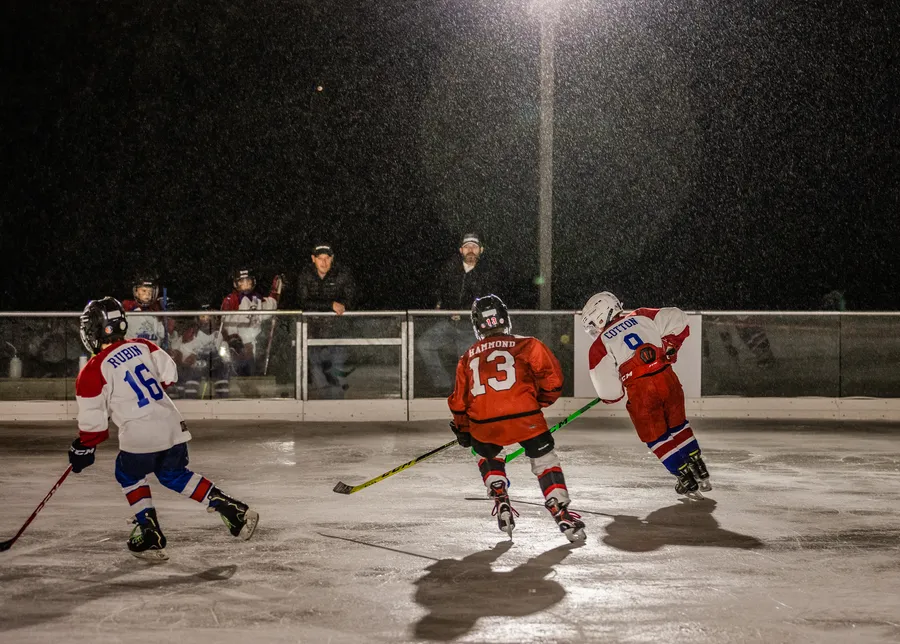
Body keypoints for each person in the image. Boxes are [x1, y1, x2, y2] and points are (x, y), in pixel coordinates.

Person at [68, 297, 258, 561]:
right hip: (171, 424)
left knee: (126, 472)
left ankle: (149, 533)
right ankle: (232, 509)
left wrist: (82, 448)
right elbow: (169, 374)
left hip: (140, 434)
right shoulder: (142, 345)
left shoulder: (92, 370)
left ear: (93, 332)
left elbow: (94, 428)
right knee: (172, 474)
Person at [447, 294, 586, 542]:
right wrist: (537, 403)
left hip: (485, 424)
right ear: (504, 318)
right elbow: (553, 381)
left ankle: (499, 492)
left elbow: (459, 402)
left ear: (477, 324)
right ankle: (559, 508)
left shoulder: (467, 356)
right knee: (545, 459)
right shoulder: (528, 345)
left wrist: (464, 429)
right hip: (526, 418)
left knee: (486, 452)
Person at [581, 291, 711, 496]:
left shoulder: (599, 345)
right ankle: (698, 464)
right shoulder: (641, 315)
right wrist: (671, 346)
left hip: (641, 390)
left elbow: (610, 392)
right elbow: (680, 319)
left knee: (656, 436)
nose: (594, 328)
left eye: (592, 323)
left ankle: (684, 475)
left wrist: (617, 390)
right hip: (667, 378)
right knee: (677, 424)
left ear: (600, 315)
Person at [419, 233, 495, 394]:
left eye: (474, 247)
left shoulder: (487, 274)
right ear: (461, 250)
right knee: (424, 345)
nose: (470, 250)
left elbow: (489, 301)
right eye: (467, 247)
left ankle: (470, 394)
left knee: (467, 364)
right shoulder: (450, 268)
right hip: (448, 323)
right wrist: (442, 306)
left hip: (471, 328)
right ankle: (443, 385)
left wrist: (469, 314)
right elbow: (438, 290)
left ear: (481, 250)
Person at [295, 243, 356, 399]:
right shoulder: (305, 275)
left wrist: (342, 306)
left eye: (327, 258)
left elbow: (351, 299)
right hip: (313, 332)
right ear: (313, 259)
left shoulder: (342, 274)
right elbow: (303, 302)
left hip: (337, 331)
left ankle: (337, 403)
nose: (324, 262)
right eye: (320, 258)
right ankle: (323, 405)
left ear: (332, 258)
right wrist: (330, 305)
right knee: (316, 367)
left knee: (336, 368)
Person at [220, 268, 283, 377]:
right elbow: (225, 323)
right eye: (242, 282)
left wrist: (275, 292)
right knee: (239, 369)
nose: (245, 284)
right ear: (236, 283)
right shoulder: (232, 299)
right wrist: (234, 340)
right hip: (237, 344)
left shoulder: (257, 298)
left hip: (255, 341)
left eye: (248, 281)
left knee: (255, 371)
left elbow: (269, 308)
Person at [123, 274, 171, 346]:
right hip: (134, 353)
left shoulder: (155, 314)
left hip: (152, 353)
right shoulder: (128, 312)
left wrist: (165, 320)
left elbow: (164, 337)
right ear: (136, 292)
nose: (147, 295)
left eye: (150, 292)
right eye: (144, 291)